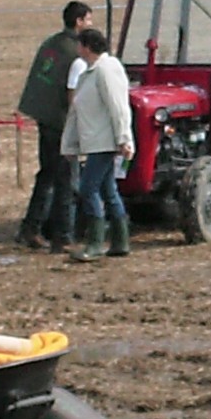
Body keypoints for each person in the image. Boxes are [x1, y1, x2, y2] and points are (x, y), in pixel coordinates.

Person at [16, 0, 93, 252]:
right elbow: (72, 94)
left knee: (47, 175)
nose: (90, 24)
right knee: (67, 180)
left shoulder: (52, 43)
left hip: (44, 117)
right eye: (88, 19)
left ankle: (30, 229)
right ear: (79, 21)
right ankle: (64, 237)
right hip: (60, 122)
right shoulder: (76, 54)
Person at [61, 28, 135, 263]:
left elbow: (118, 107)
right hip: (94, 141)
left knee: (88, 188)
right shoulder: (89, 73)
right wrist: (69, 145)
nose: (77, 49)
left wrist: (124, 138)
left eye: (80, 45)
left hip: (104, 142)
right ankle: (120, 241)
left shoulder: (106, 70)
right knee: (108, 190)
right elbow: (77, 112)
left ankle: (95, 243)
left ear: (87, 47)